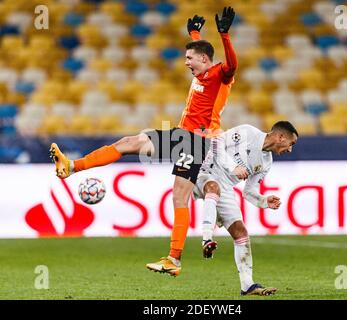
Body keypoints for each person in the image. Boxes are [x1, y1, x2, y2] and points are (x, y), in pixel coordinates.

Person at [49, 7, 238, 277]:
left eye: (189, 58)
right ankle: (72, 166)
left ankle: (174, 259)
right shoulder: (202, 73)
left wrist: (225, 35)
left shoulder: (220, 74)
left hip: (196, 141)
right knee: (129, 142)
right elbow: (201, 55)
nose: (186, 63)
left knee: (179, 196)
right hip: (181, 135)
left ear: (205, 59)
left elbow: (232, 65)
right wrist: (194, 34)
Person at [193, 121, 298, 296]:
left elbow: (249, 192)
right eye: (291, 143)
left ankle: (247, 285)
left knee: (240, 232)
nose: (290, 150)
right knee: (213, 187)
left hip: (225, 187)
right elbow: (216, 142)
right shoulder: (248, 133)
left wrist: (263, 201)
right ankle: (206, 239)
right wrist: (233, 167)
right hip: (205, 169)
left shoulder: (266, 163)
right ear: (280, 137)